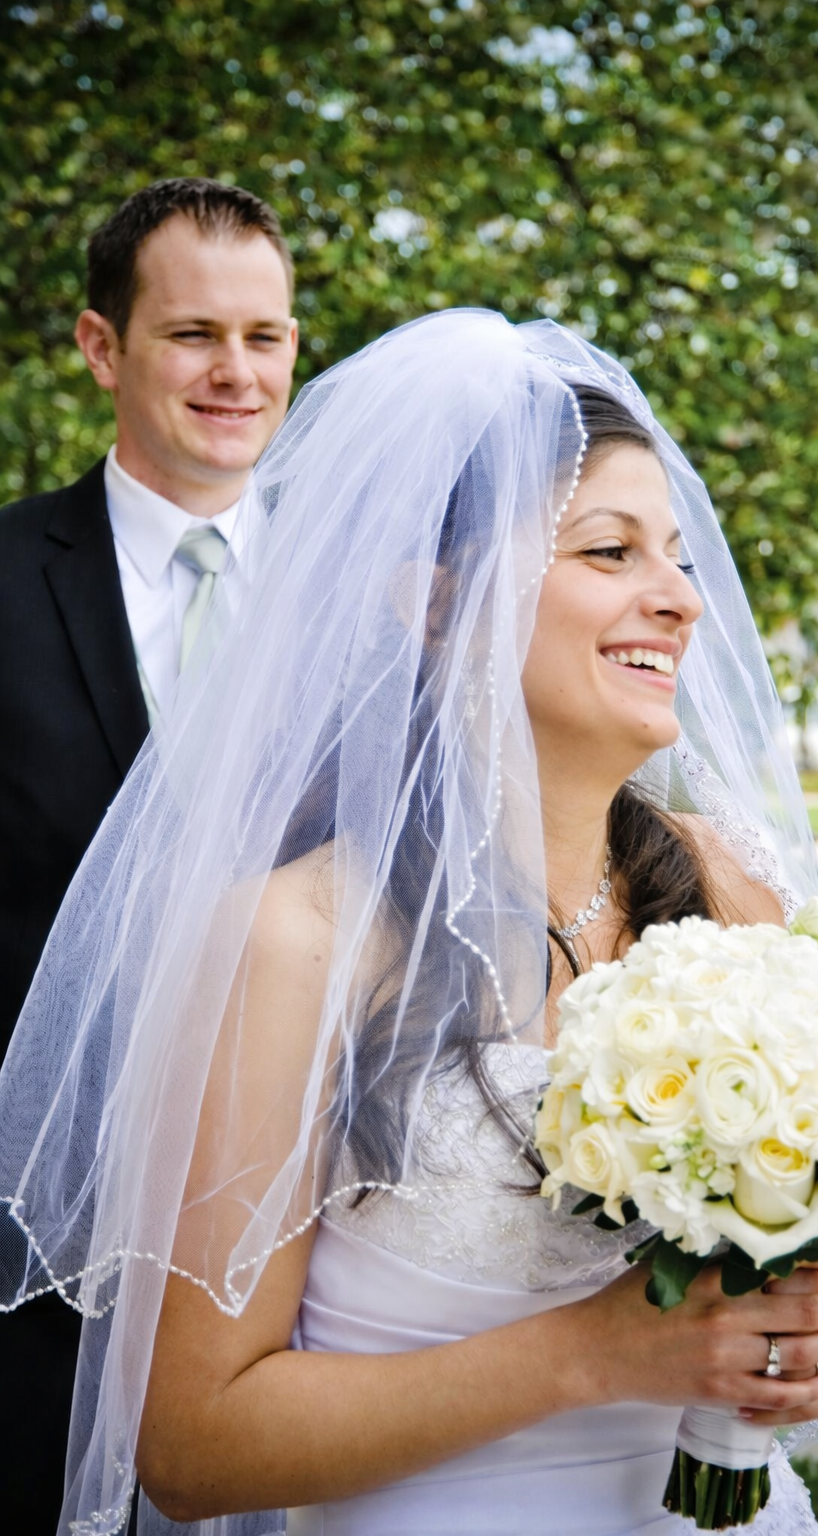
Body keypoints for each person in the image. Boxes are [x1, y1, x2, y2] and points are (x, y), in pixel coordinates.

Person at [0, 311, 818, 1535]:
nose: (679, 601)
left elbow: (790, 1300)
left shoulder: (729, 892)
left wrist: (796, 1346)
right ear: (433, 605)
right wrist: (598, 1356)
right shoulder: (301, 941)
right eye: (609, 552)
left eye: (681, 559)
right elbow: (191, 1444)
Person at [0, 177, 298, 1532]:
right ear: (101, 346)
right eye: (193, 335)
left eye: (268, 336)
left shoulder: (379, 605)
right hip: (36, 1263)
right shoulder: (7, 580)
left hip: (313, 1250)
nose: (236, 373)